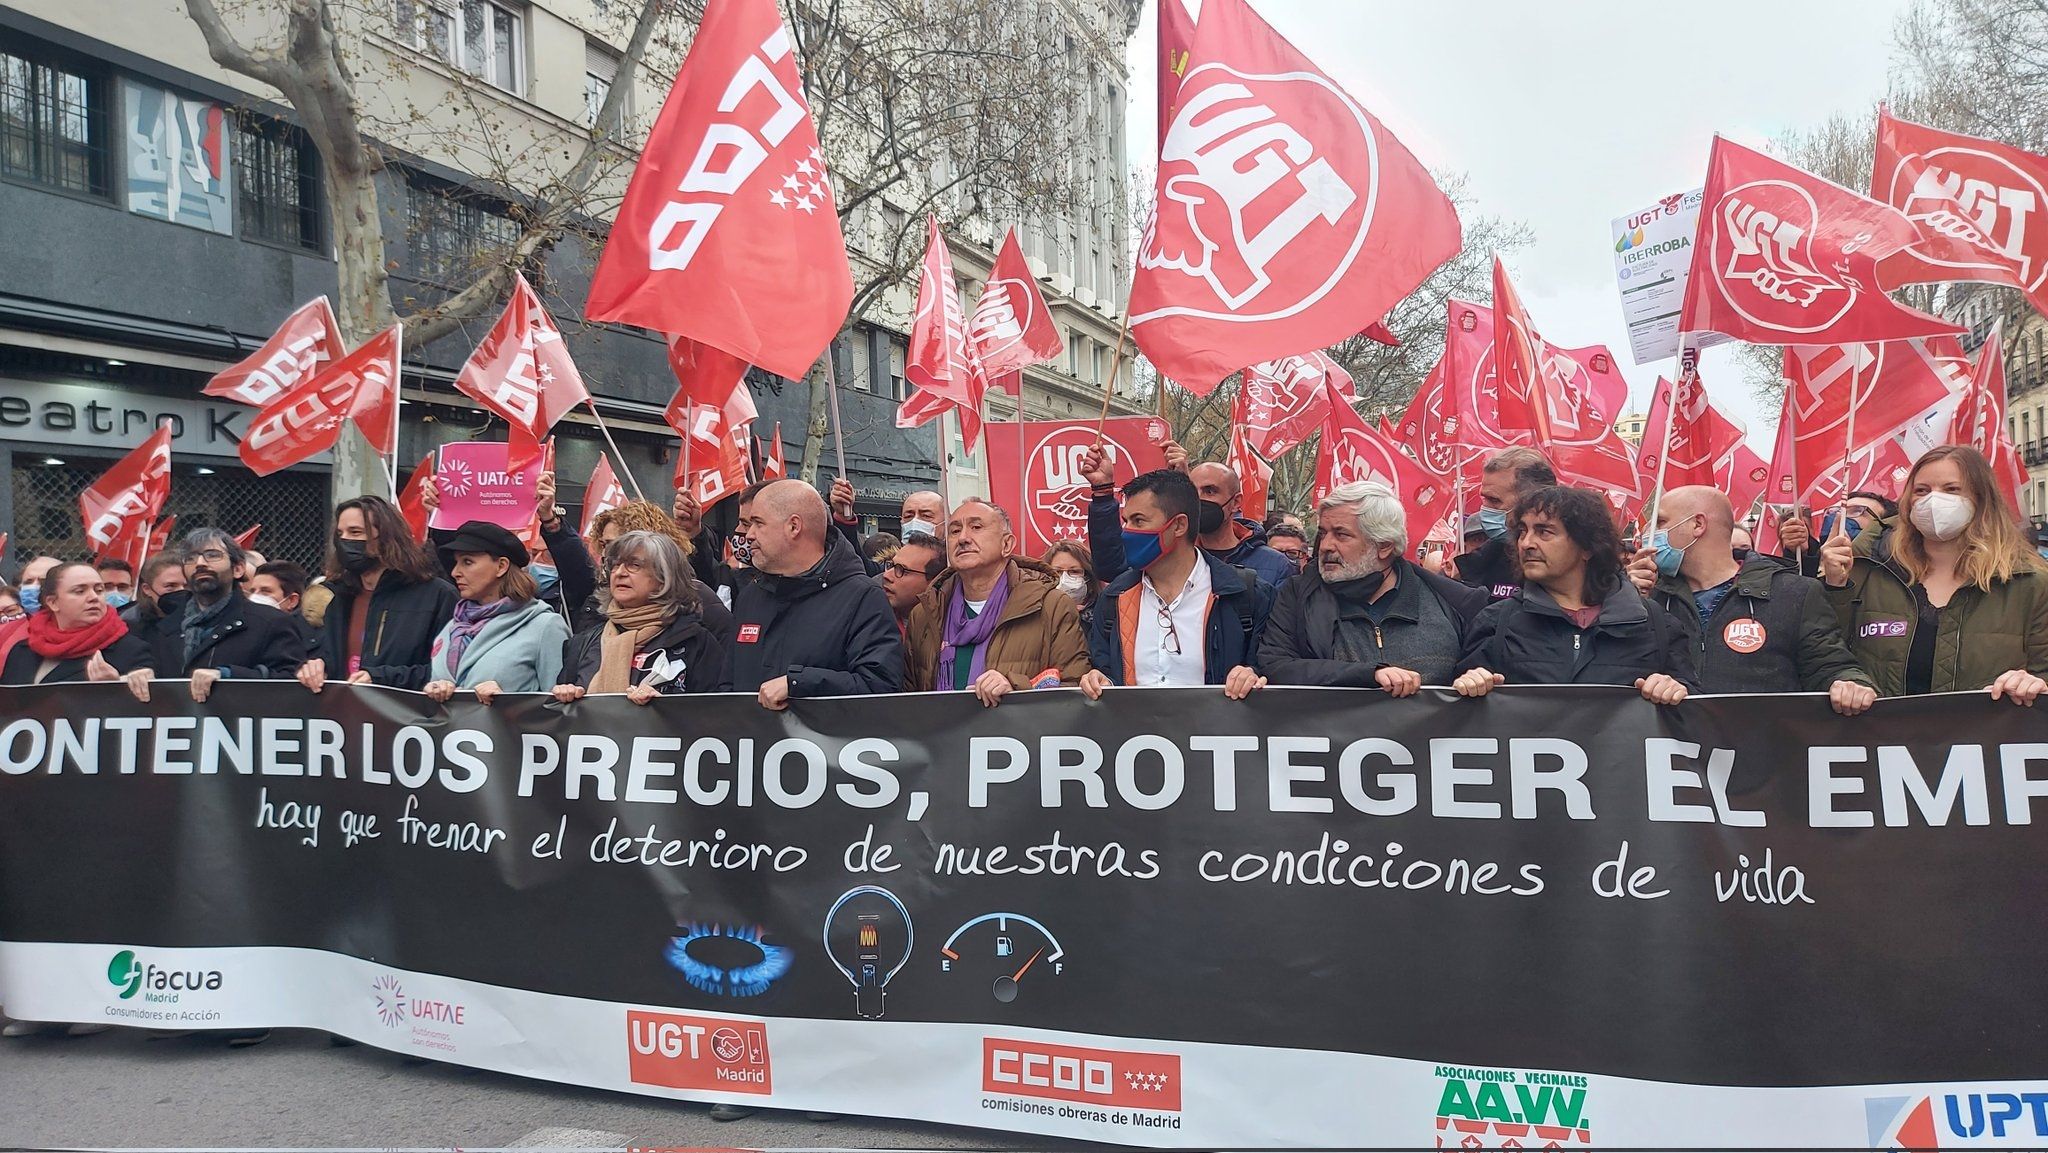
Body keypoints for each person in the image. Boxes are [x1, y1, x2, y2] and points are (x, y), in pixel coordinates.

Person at [1821, 445, 2048, 703]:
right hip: (1881, 738)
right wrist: (1834, 587)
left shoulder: (2030, 583)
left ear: (1981, 498)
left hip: (1983, 739)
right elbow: (1826, 654)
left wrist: (2033, 683)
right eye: (1922, 490)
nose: (1933, 500)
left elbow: (2043, 671)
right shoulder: (1867, 568)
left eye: (1951, 489)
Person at [1625, 486, 1875, 713]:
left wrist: (1851, 684)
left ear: (1698, 524)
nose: (1649, 533)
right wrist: (1628, 602)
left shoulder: (1794, 592)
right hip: (1680, 756)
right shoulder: (1649, 597)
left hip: (1763, 755)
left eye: (1660, 522)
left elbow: (1829, 666)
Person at [1455, 485, 1697, 703]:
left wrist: (1675, 690)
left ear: (1587, 547)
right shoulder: (1495, 623)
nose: (1526, 543)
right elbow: (1455, 716)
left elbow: (1698, 715)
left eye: (1544, 532)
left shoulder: (1656, 625)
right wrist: (1469, 684)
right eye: (1522, 531)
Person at [1260, 481, 1487, 692]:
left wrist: (1476, 679)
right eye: (1323, 533)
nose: (1326, 546)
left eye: (1341, 534)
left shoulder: (1455, 603)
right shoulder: (1299, 595)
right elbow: (1275, 665)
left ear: (1384, 546)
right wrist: (1368, 675)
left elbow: (1483, 671)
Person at [1077, 468, 1272, 700]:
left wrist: (1252, 674)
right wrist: (1100, 679)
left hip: (1214, 734)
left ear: (1179, 525)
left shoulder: (1246, 595)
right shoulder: (1113, 598)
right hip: (1135, 734)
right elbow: (1105, 668)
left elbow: (1270, 669)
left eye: (1138, 520)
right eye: (1126, 521)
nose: (1127, 531)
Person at [728, 479, 903, 709]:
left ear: (794, 527)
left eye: (758, 523)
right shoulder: (751, 596)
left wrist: (799, 684)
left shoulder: (862, 597)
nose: (749, 535)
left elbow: (880, 687)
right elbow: (726, 683)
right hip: (753, 743)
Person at [902, 500, 1090, 703]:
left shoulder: (1052, 606)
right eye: (955, 531)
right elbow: (909, 701)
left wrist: (1016, 687)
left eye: (976, 527)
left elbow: (1075, 688)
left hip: (1020, 733)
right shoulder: (924, 613)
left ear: (1007, 544)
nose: (963, 538)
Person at [1077, 445, 1295, 588]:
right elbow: (1111, 566)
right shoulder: (1164, 554)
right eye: (1193, 491)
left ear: (1236, 502)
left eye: (1210, 491)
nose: (1199, 500)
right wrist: (1103, 492)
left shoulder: (1274, 565)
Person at [299, 496, 456, 693]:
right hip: (344, 717)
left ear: (386, 537)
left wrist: (381, 678)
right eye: (340, 534)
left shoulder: (437, 596)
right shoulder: (339, 596)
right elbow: (331, 658)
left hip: (407, 718)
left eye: (356, 532)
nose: (345, 540)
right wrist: (315, 667)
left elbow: (448, 671)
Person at [555, 530, 728, 701]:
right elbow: (561, 719)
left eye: (634, 565)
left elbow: (715, 716)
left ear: (664, 577)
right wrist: (565, 697)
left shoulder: (695, 642)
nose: (620, 573)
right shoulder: (584, 642)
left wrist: (664, 708)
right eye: (615, 565)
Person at [145, 528, 307, 701]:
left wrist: (228, 675)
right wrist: (140, 675)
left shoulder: (271, 622)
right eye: (190, 558)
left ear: (238, 569)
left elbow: (290, 682)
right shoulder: (164, 628)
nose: (200, 563)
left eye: (213, 555)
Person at [419, 469, 598, 624]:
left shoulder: (547, 622)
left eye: (547, 556)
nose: (534, 562)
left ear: (502, 566)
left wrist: (549, 519)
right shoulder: (458, 623)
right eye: (532, 553)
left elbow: (581, 573)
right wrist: (442, 516)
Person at [422, 521, 571, 705]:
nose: (455, 572)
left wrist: (507, 704)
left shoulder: (545, 626)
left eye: (467, 562)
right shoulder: (453, 626)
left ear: (501, 566)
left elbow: (561, 711)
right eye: (456, 562)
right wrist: (434, 690)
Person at [586, 499, 734, 643]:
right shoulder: (598, 603)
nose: (606, 553)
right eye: (604, 544)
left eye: (634, 564)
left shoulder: (695, 615)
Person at [0, 561, 154, 690]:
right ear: (53, 602)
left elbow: (150, 712)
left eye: (99, 590)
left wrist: (116, 688)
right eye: (80, 591)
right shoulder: (22, 651)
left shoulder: (132, 650)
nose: (94, 597)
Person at [1449, 447, 1555, 601]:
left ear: (1532, 502)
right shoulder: (1481, 563)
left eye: (1494, 500)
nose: (1484, 509)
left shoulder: (1569, 570)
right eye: (1484, 499)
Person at [1777, 492, 1894, 577]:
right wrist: (1800, 555)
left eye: (1857, 510)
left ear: (1883, 525)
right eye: (1836, 511)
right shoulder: (1815, 567)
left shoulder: (1895, 572)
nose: (1840, 516)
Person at [880, 534, 945, 637]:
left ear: (934, 581)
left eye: (902, 570)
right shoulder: (872, 621)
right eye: (891, 566)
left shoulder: (947, 631)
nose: (886, 575)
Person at [1042, 541, 1101, 634]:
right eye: (1057, 571)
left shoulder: (1103, 614)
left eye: (1074, 571)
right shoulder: (1038, 614)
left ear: (1088, 576)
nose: (1064, 579)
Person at [121, 552, 188, 630]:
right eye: (170, 586)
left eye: (187, 585)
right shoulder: (129, 625)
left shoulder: (199, 620)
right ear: (147, 589)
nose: (182, 590)